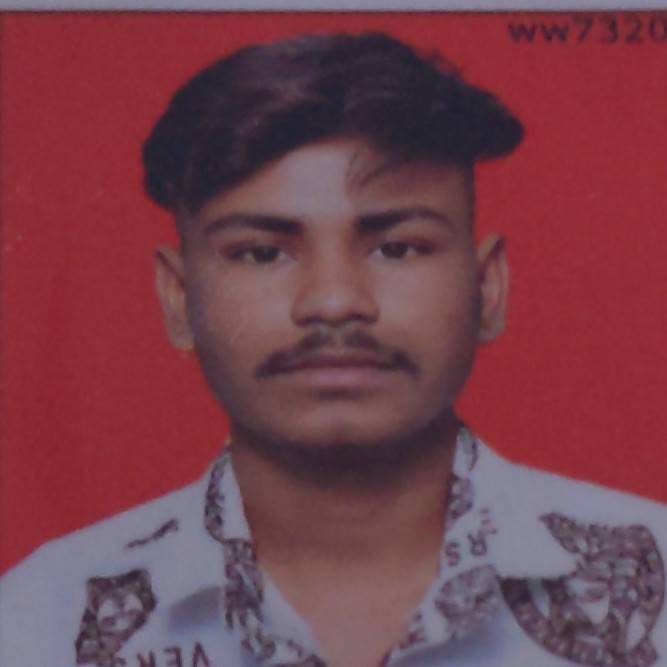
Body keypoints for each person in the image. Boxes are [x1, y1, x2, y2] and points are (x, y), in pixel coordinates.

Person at [1, 32, 665, 667]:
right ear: (178, 300)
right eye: (261, 253)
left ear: (487, 287)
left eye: (397, 247)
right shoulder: (40, 620)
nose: (334, 300)